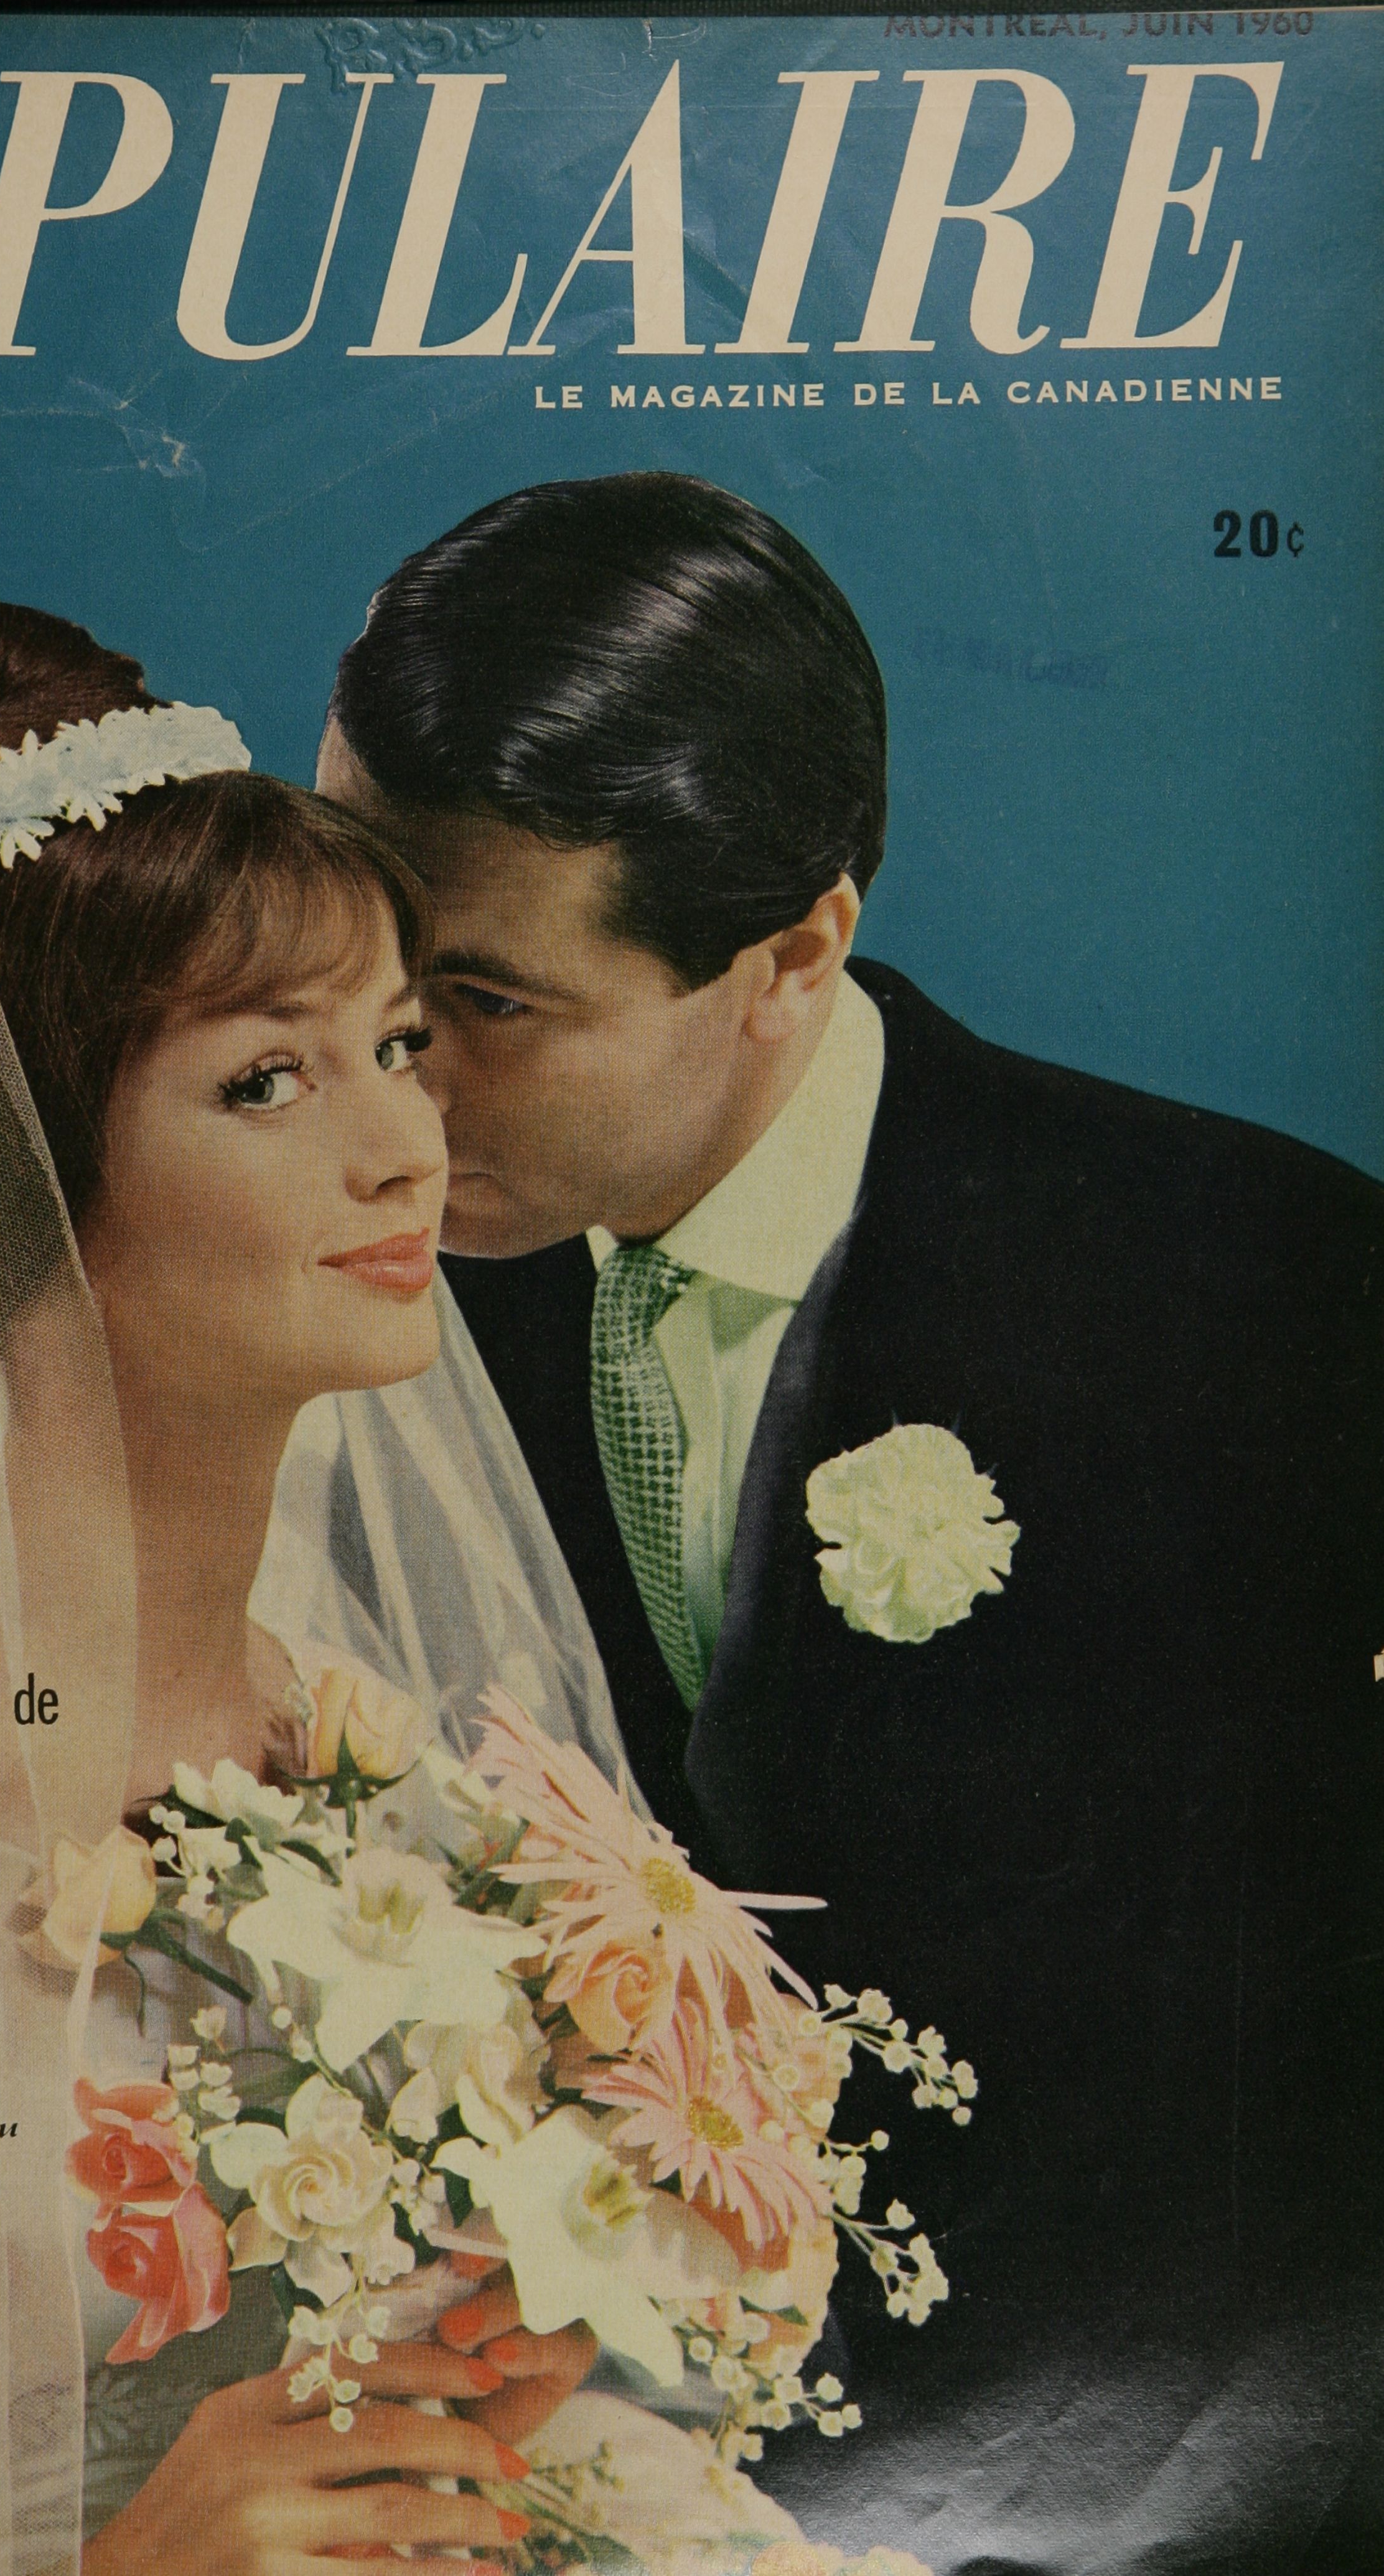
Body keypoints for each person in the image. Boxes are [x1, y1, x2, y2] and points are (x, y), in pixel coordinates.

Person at [0, 599, 916, 2576]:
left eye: (401, 1046)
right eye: (270, 1080)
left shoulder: (390, 1768)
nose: (408, 1142)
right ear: (16, 1160)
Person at [316, 474, 1384, 2574]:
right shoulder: (343, 1281)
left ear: (796, 947)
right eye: (355, 969)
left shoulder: (1275, 1295)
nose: (385, 1083)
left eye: (485, 1007)